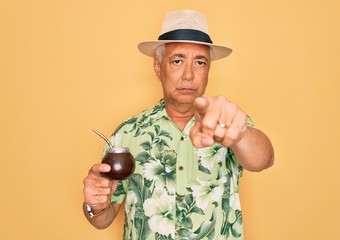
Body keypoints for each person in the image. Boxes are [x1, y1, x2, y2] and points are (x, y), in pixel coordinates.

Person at [82, 9, 274, 239]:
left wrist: (239, 134)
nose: (189, 75)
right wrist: (96, 205)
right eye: (177, 61)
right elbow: (103, 219)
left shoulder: (228, 123)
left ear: (209, 70)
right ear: (157, 66)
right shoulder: (127, 134)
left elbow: (264, 159)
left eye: (200, 62)